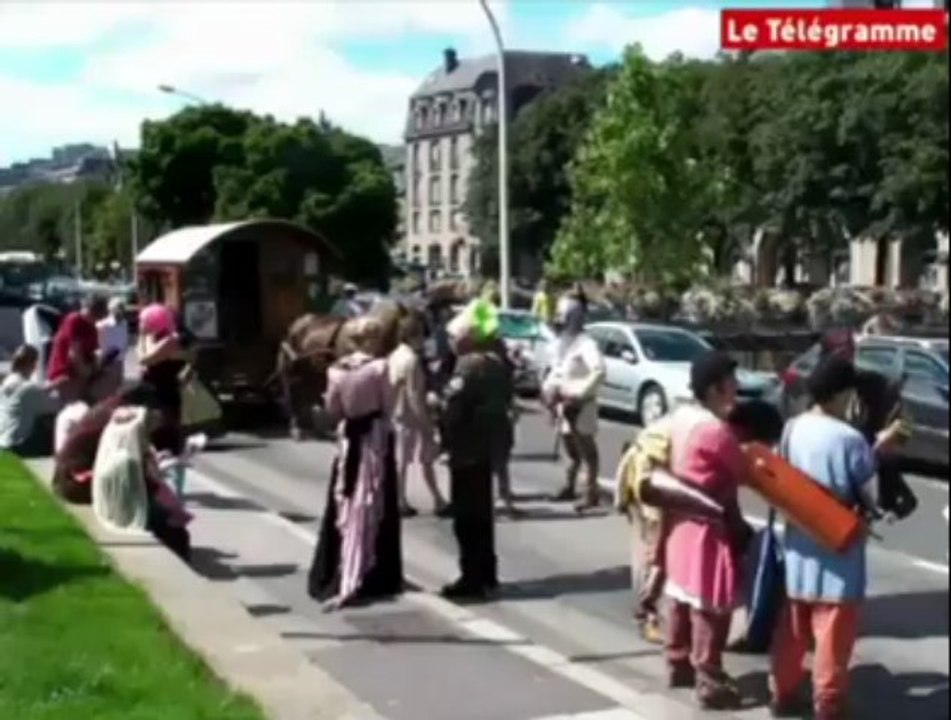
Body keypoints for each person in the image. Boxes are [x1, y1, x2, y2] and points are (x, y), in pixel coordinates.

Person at [769, 355, 904, 720]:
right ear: (842, 394)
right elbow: (873, 498)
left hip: (799, 541)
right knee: (832, 632)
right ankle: (828, 704)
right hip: (838, 547)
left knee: (793, 627)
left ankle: (782, 692)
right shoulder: (849, 439)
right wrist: (881, 453)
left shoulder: (792, 428)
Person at [662, 351, 753, 710]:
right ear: (716, 389)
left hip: (679, 518)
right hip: (707, 525)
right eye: (731, 381)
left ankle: (677, 663)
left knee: (681, 595)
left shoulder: (681, 417)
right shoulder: (715, 431)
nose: (737, 386)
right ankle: (709, 679)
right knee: (711, 603)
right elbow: (744, 471)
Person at [307, 317, 403, 610]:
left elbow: (333, 410)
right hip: (374, 438)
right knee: (375, 499)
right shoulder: (379, 368)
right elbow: (388, 406)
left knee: (343, 498)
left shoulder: (336, 370)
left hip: (349, 439)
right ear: (372, 340)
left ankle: (335, 565)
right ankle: (375, 572)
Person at [439, 299, 513, 599]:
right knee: (483, 515)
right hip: (488, 445)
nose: (452, 342)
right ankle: (487, 574)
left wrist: (438, 414)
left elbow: (453, 407)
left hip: (467, 446)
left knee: (467, 519)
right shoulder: (498, 362)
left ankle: (472, 578)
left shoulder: (470, 365)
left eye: (455, 336)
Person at [818, 329, 914, 520]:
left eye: (851, 349)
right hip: (818, 484)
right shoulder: (817, 387)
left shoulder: (875, 386)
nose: (848, 356)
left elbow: (906, 424)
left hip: (859, 489)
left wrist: (894, 436)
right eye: (841, 351)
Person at [542, 293, 605, 512]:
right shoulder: (561, 344)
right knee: (570, 449)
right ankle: (570, 486)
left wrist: (579, 393)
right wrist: (549, 392)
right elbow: (557, 371)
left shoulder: (586, 345)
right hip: (563, 404)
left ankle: (590, 492)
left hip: (581, 405)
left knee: (587, 450)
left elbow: (599, 371)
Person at [388, 315, 450, 518]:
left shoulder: (395, 355)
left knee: (402, 460)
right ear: (413, 336)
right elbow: (414, 394)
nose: (424, 340)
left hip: (396, 414)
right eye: (422, 335)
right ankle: (431, 500)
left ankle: (404, 498)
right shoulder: (412, 360)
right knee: (424, 459)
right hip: (410, 416)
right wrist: (426, 424)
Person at [137, 303, 189, 459]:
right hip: (153, 393)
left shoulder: (170, 339)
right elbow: (142, 356)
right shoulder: (154, 337)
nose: (141, 325)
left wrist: (142, 338)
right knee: (152, 438)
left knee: (166, 439)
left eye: (145, 321)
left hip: (165, 394)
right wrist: (144, 341)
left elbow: (145, 359)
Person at [47, 295, 107, 403]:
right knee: (70, 407)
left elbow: (93, 352)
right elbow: (74, 353)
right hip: (65, 376)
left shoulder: (92, 327)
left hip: (81, 377)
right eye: (95, 314)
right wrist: (86, 372)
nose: (97, 319)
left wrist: (95, 368)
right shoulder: (74, 320)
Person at [0, 344, 57, 456]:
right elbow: (55, 406)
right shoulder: (27, 389)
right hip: (17, 446)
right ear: (33, 365)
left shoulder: (5, 385)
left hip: (3, 442)